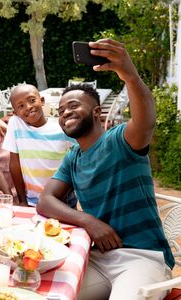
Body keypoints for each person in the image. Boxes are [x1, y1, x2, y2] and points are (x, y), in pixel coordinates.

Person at [37, 39, 174, 300]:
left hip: (142, 257)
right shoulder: (73, 157)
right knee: (44, 291)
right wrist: (88, 221)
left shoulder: (121, 140)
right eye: (61, 110)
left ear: (97, 112)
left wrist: (130, 75)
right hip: (97, 258)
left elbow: (145, 121)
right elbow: (45, 201)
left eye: (74, 106)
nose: (65, 113)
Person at [3, 84, 76, 207]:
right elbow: (14, 164)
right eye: (21, 106)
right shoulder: (15, 124)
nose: (28, 107)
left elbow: (79, 157)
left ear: (42, 101)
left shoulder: (61, 128)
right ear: (15, 112)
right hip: (31, 201)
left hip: (62, 200)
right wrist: (22, 201)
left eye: (32, 100)